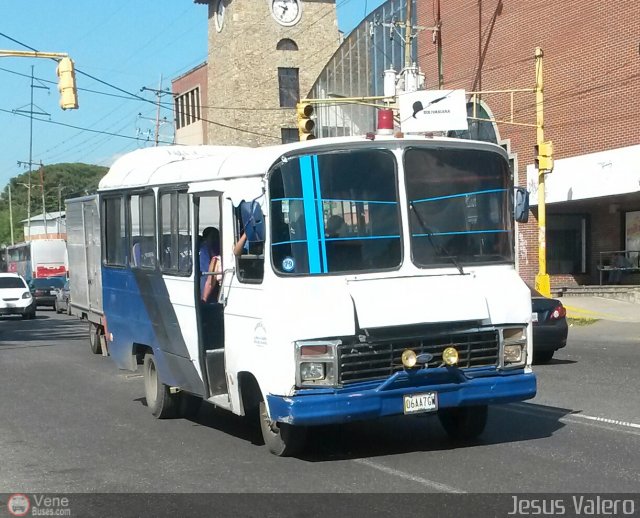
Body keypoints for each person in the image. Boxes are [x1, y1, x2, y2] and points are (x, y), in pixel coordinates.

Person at [199, 227, 221, 303]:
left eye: (217, 237)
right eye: (213, 237)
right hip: (206, 283)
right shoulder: (203, 250)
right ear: (205, 239)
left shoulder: (216, 249)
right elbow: (207, 274)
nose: (215, 240)